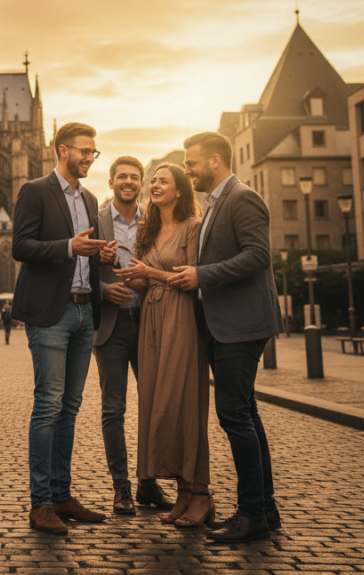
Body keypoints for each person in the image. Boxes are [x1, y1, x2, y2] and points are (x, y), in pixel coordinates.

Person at [168, 132, 285, 543]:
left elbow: (258, 256)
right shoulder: (216, 202)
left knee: (235, 416)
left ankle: (251, 513)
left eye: (191, 163)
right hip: (226, 324)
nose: (187, 170)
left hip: (240, 324)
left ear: (215, 161)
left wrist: (202, 275)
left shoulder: (242, 197)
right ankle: (264, 509)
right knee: (246, 414)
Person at [11, 122, 109, 535]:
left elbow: (90, 254)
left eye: (94, 153)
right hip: (52, 313)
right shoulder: (35, 190)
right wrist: (69, 246)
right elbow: (21, 246)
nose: (90, 158)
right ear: (63, 150)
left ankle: (63, 495)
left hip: (85, 311)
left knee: (69, 408)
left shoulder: (89, 198)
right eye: (85, 151)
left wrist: (105, 254)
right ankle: (41, 504)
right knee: (49, 406)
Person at [115, 163, 212, 528]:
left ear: (179, 190)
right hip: (152, 323)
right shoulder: (147, 228)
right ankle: (184, 494)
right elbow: (142, 285)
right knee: (158, 407)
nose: (154, 185)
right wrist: (125, 271)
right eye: (152, 181)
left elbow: (189, 278)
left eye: (162, 181)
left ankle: (201, 493)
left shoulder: (192, 227)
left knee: (184, 403)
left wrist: (149, 273)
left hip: (181, 319)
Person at [93, 156, 173, 516]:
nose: (128, 182)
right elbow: (73, 270)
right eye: (121, 176)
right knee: (114, 409)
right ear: (110, 182)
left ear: (141, 185)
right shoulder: (93, 221)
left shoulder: (155, 221)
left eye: (134, 177)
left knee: (154, 407)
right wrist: (101, 290)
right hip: (111, 326)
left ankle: (148, 484)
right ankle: (121, 488)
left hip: (149, 322)